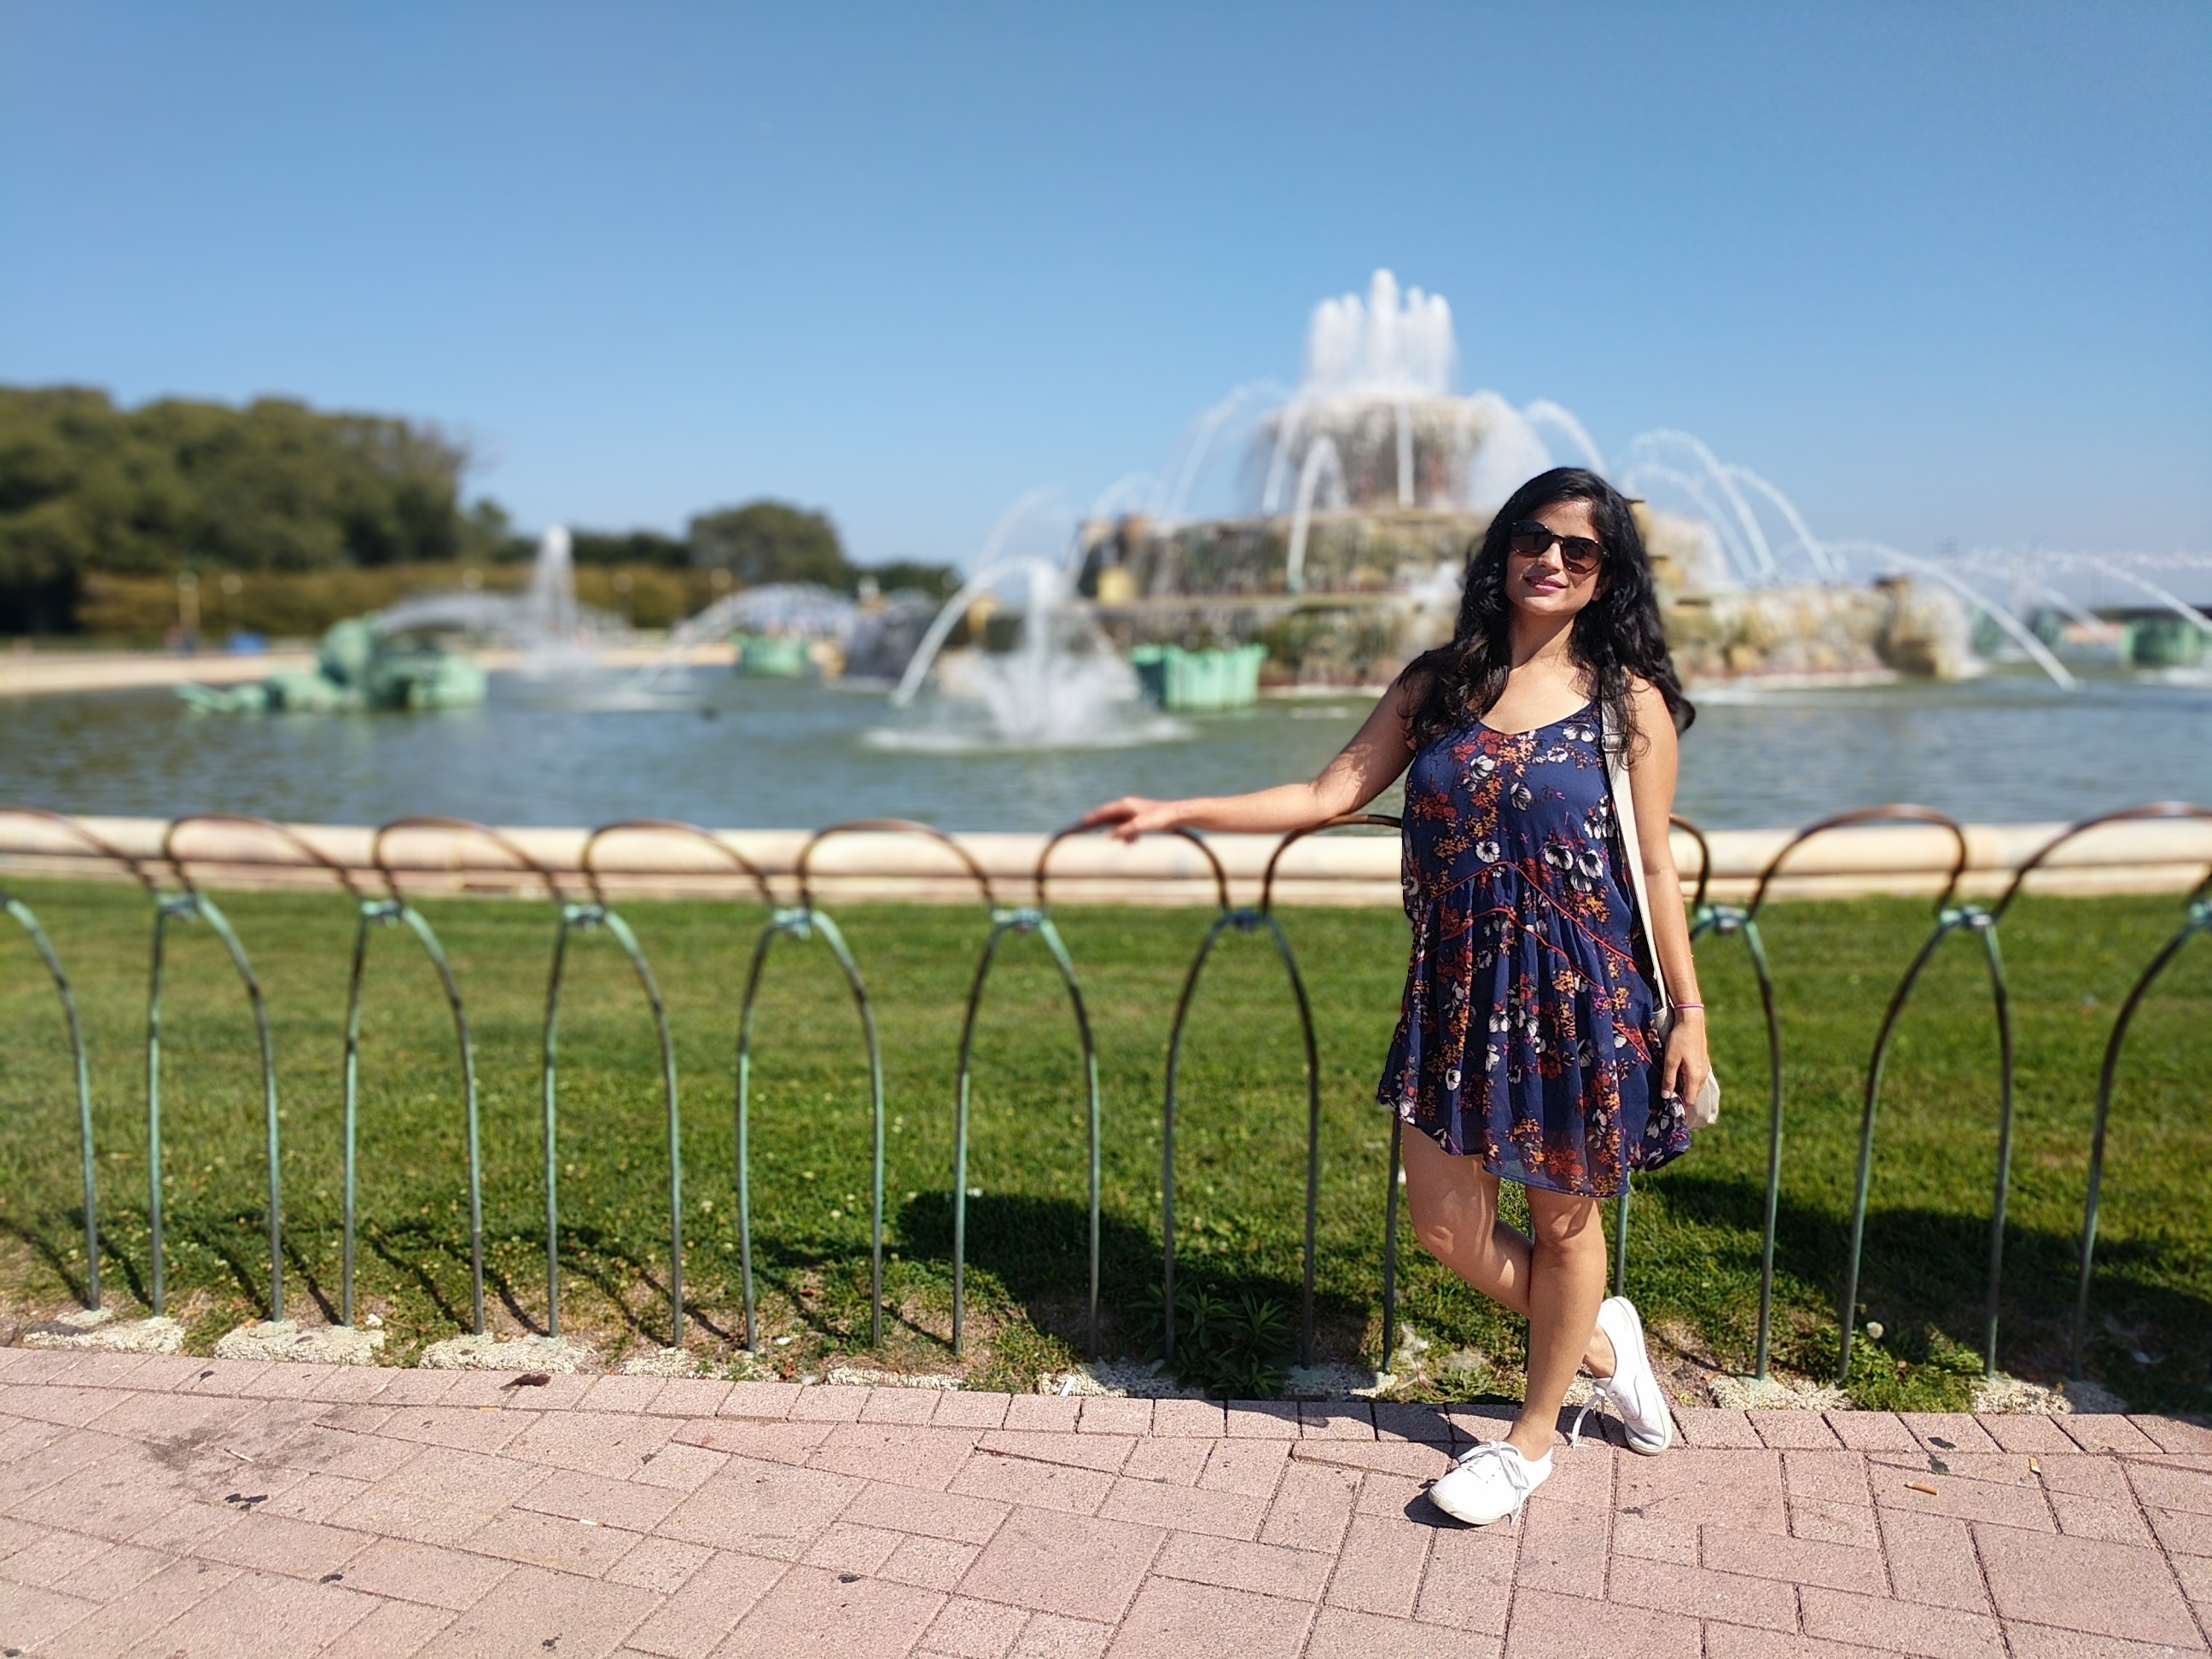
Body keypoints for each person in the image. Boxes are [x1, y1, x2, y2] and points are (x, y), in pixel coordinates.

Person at [1084, 466, 1710, 1526]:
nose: (1552, 560)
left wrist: (1688, 1016)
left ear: (1607, 577)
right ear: (1503, 548)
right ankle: (1606, 1344)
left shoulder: (1627, 702)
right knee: (1445, 1229)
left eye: (1581, 550)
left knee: (1563, 1226)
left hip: (1577, 995)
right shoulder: (1441, 686)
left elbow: (1654, 868)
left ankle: (1529, 1441)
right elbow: (1327, 791)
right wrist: (1181, 807)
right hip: (1456, 992)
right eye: (1535, 537)